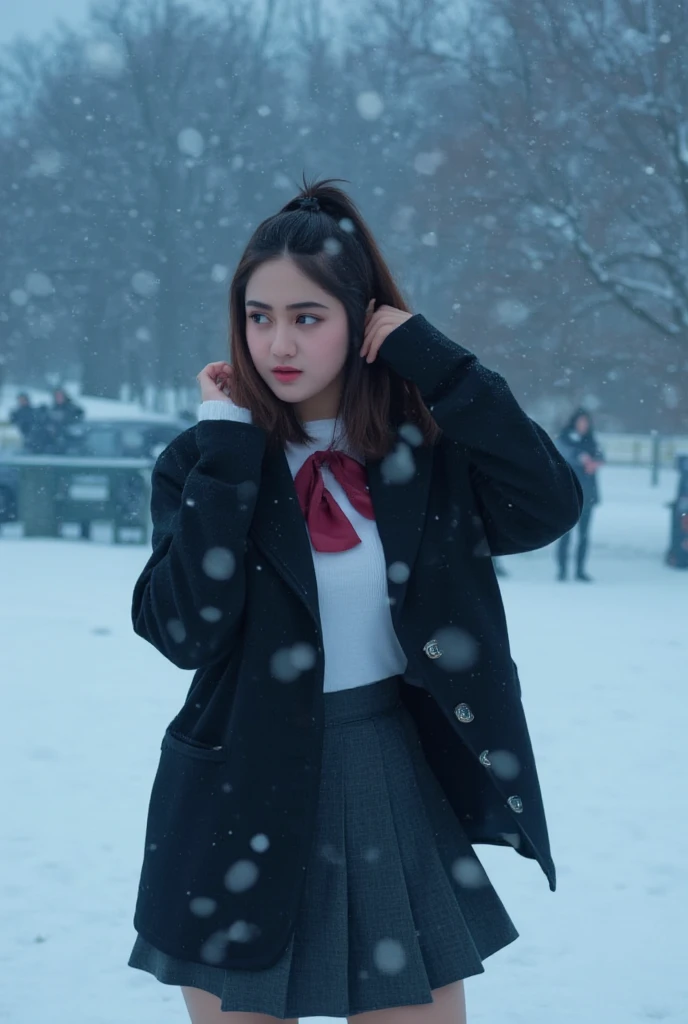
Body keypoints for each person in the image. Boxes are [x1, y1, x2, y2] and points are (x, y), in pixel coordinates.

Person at [127, 178, 582, 1024]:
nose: (278, 343)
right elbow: (183, 629)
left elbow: (548, 503)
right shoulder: (205, 459)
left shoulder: (423, 454)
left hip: (386, 775)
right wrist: (229, 456)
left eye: (308, 317)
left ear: (362, 319)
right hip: (237, 788)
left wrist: (438, 363)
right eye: (259, 316)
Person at [554, 407, 605, 582]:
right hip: (569, 494)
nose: (583, 425)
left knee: (584, 535)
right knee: (565, 534)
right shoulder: (565, 440)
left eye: (586, 422)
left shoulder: (591, 441)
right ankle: (562, 570)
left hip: (588, 495)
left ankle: (580, 570)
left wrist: (595, 462)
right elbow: (562, 453)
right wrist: (582, 458)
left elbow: (600, 455)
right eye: (581, 421)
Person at [44, 387, 84, 453]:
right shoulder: (52, 408)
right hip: (54, 438)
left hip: (69, 438)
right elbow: (48, 422)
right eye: (57, 396)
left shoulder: (71, 408)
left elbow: (77, 419)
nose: (58, 398)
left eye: (60, 396)